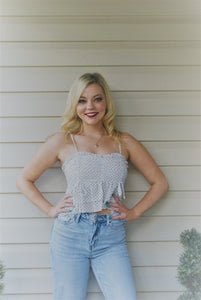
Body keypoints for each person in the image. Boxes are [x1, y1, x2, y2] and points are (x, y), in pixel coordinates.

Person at [16, 72, 169, 300]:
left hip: (111, 237)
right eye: (82, 100)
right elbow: (24, 180)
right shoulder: (63, 141)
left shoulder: (123, 142)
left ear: (106, 102)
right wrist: (50, 209)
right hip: (70, 234)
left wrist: (134, 212)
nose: (90, 106)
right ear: (75, 104)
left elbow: (160, 183)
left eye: (97, 99)